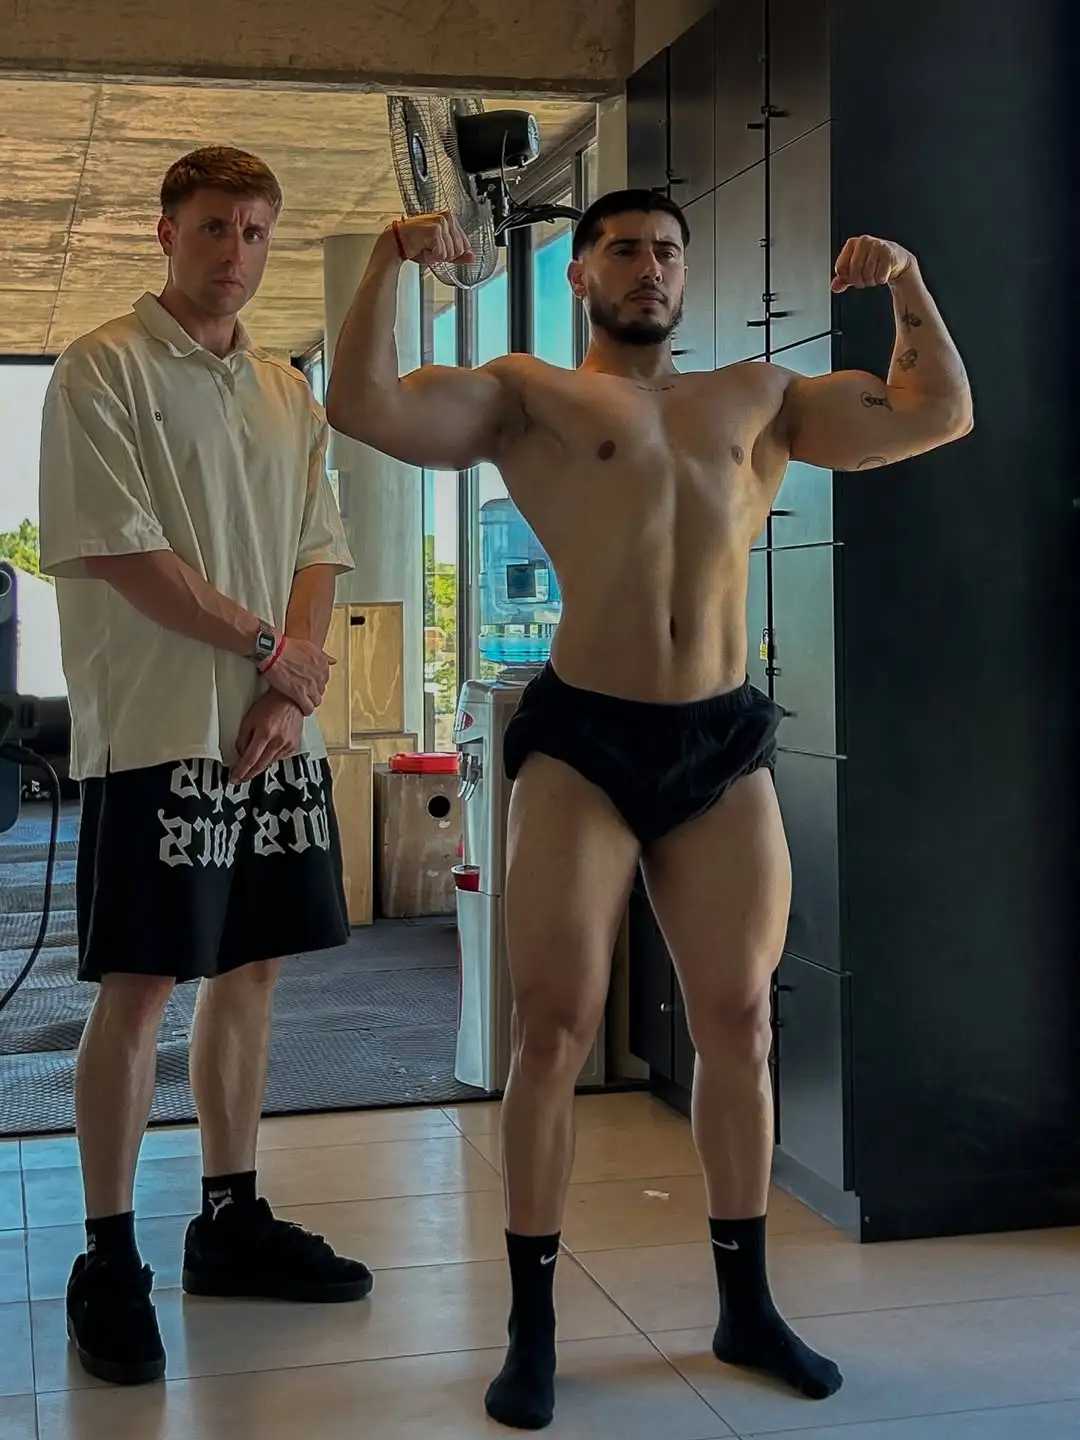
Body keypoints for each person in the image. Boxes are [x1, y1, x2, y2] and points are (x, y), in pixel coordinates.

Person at [325, 191, 973, 1430]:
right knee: (554, 1032)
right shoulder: (530, 395)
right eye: (625, 250)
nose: (651, 268)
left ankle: (745, 1304)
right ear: (582, 273)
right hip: (583, 736)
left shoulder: (760, 398)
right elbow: (366, 405)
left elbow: (937, 410)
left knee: (739, 1021)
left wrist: (908, 281)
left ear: (686, 273)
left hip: (718, 738)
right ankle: (533, 1323)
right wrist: (391, 263)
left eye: (668, 251)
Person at [37, 145, 372, 1389]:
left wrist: (290, 690)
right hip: (164, 726)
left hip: (272, 729)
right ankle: (107, 1257)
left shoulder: (290, 389)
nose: (238, 251)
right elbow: (119, 551)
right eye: (216, 227)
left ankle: (229, 1220)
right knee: (141, 985)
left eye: (257, 231)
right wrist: (270, 652)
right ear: (165, 231)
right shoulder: (102, 370)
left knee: (256, 968)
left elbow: (320, 546)